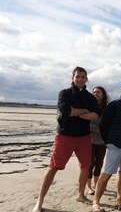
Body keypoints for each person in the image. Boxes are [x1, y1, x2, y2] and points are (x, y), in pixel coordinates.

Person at [32, 66, 100, 212]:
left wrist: (77, 113)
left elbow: (95, 116)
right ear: (73, 78)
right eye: (78, 77)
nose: (80, 79)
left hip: (83, 137)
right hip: (64, 136)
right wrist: (84, 112)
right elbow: (66, 111)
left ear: (86, 79)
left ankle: (80, 194)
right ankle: (39, 201)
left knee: (85, 166)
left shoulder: (90, 97)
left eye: (83, 77)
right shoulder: (65, 93)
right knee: (53, 167)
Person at [92, 83, 121, 212]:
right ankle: (96, 202)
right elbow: (103, 125)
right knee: (106, 174)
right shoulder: (114, 105)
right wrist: (108, 141)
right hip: (115, 145)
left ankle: (119, 199)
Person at [86, 86, 110, 195]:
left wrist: (103, 129)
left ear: (103, 94)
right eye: (94, 92)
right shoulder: (88, 106)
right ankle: (88, 186)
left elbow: (109, 124)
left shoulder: (107, 108)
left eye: (98, 92)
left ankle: (97, 184)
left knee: (99, 163)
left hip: (102, 141)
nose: (96, 94)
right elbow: (84, 122)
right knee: (89, 164)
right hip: (89, 140)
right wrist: (95, 128)